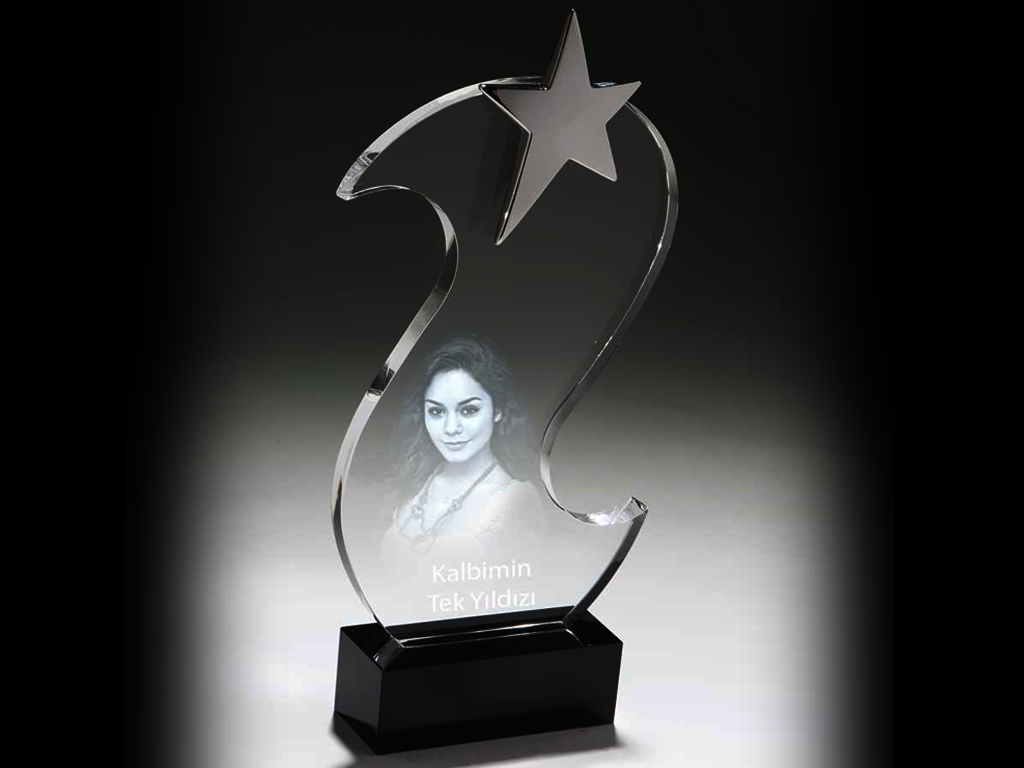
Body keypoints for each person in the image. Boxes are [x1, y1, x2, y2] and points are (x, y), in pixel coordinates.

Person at [380, 336, 546, 567]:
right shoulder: (413, 479)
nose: (450, 428)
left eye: (468, 410)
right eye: (437, 412)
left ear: (498, 410)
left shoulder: (517, 501)